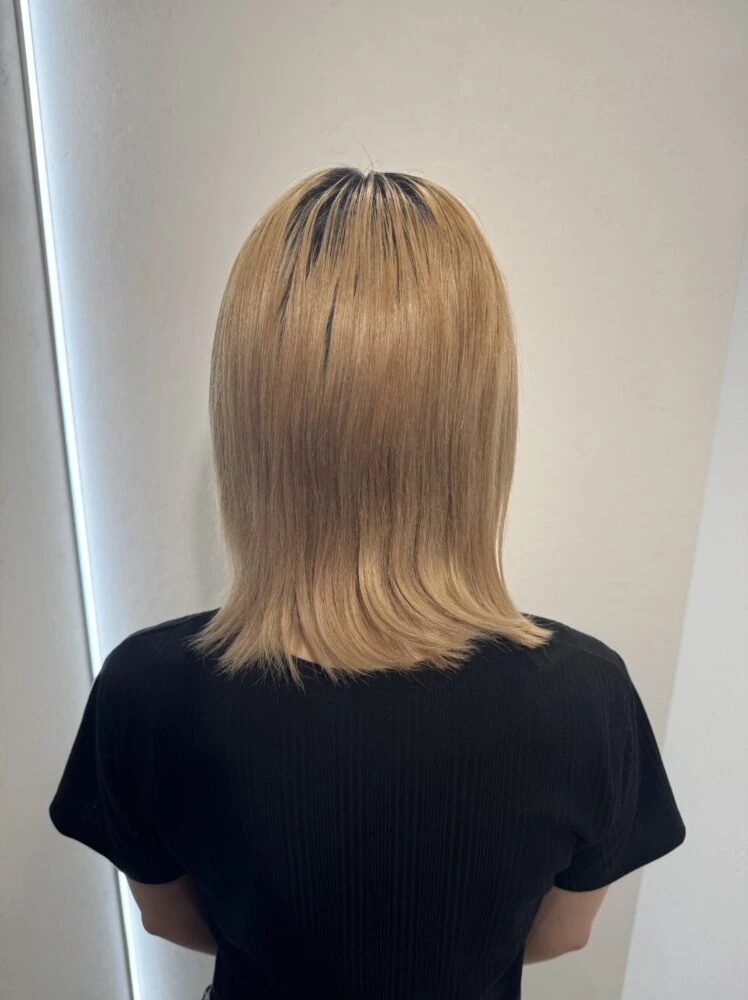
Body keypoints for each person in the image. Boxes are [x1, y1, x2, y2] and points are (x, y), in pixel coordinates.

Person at [50, 167, 685, 1000]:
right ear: (478, 419)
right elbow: (562, 934)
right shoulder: (585, 697)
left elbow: (171, 920)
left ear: (247, 412)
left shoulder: (148, 690)